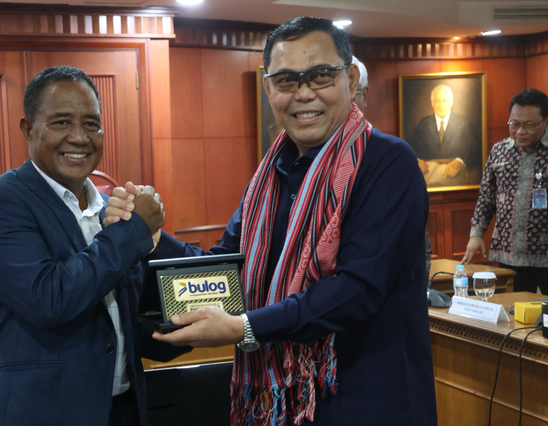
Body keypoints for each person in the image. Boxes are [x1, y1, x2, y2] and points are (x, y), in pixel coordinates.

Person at [107, 17, 437, 426]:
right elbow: (225, 269)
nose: (303, 93)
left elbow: (357, 290)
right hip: (280, 406)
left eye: (320, 76)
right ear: (269, 88)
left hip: (365, 399)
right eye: (286, 81)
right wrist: (149, 234)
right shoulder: (270, 172)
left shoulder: (387, 162)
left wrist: (244, 327)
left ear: (351, 79)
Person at [0, 66, 187, 426]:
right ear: (28, 129)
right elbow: (50, 298)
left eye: (91, 124)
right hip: (38, 414)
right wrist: (134, 230)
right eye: (61, 122)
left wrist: (188, 324)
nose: (79, 137)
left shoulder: (110, 209)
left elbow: (128, 324)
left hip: (122, 411)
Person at [462, 88, 548, 295]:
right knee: (514, 314)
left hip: (545, 252)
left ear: (545, 122)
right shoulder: (499, 150)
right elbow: (486, 196)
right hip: (509, 253)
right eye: (514, 124)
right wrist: (476, 234)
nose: (520, 131)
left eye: (528, 125)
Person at [408, 84, 481, 186]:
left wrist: (460, 161)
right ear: (432, 103)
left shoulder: (464, 122)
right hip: (429, 177)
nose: (441, 105)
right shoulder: (423, 123)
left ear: (451, 102)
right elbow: (410, 147)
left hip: (456, 177)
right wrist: (417, 160)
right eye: (437, 101)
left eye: (444, 100)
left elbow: (476, 150)